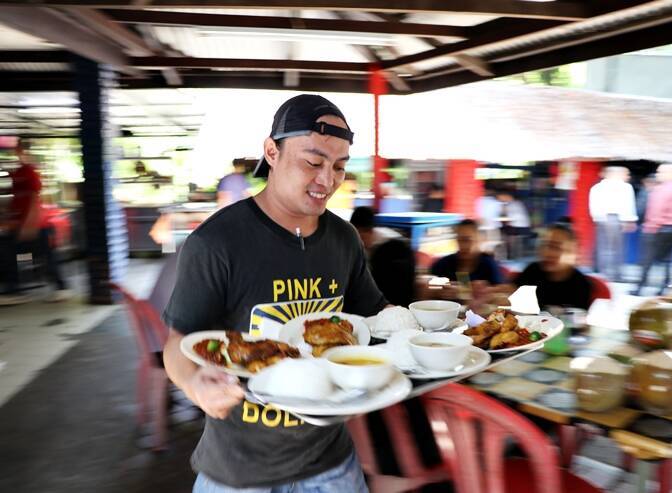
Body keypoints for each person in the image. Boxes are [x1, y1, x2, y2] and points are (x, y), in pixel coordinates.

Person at [162, 94, 385, 492]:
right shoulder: (217, 243)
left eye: (339, 167)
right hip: (239, 470)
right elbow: (178, 343)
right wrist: (196, 385)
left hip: (330, 461)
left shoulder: (343, 239)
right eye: (313, 162)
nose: (327, 180)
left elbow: (377, 318)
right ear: (272, 151)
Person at [0, 139, 70, 305]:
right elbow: (16, 199)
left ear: (25, 152)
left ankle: (60, 288)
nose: (16, 154)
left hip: (37, 225)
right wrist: (9, 219)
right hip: (21, 225)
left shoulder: (30, 172)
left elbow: (33, 200)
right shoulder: (17, 173)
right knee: (9, 253)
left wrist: (29, 224)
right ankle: (13, 289)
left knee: (45, 255)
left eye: (19, 151)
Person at [486, 223, 593, 310]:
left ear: (574, 253)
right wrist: (491, 294)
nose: (547, 252)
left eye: (555, 247)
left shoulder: (581, 285)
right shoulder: (533, 271)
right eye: (544, 245)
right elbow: (510, 293)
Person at [632, 164, 672, 296]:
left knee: (647, 259)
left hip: (658, 229)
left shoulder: (660, 190)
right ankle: (665, 288)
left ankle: (639, 288)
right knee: (668, 260)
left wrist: (650, 227)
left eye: (660, 172)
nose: (658, 175)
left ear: (669, 174)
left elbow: (656, 210)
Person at [350, 206, 415, 307]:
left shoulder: (391, 248)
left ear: (370, 231)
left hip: (393, 303)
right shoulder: (368, 243)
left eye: (361, 236)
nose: (359, 241)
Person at [427, 219, 503, 301]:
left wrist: (484, 290)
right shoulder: (444, 263)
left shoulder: (489, 264)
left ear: (479, 240)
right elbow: (426, 286)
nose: (463, 245)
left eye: (467, 240)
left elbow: (504, 291)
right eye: (459, 240)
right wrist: (438, 292)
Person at [589, 166, 637, 281]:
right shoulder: (625, 187)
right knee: (618, 249)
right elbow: (628, 205)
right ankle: (617, 274)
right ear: (616, 174)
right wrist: (629, 220)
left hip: (601, 219)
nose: (627, 177)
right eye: (625, 174)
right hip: (617, 219)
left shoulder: (597, 187)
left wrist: (597, 218)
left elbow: (592, 205)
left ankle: (604, 273)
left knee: (603, 248)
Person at [497, 191, 531, 259]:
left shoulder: (513, 204)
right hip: (520, 226)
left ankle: (512, 255)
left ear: (507, 196)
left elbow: (511, 217)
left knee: (509, 237)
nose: (500, 200)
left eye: (501, 198)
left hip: (520, 227)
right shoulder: (514, 203)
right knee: (508, 236)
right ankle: (512, 254)